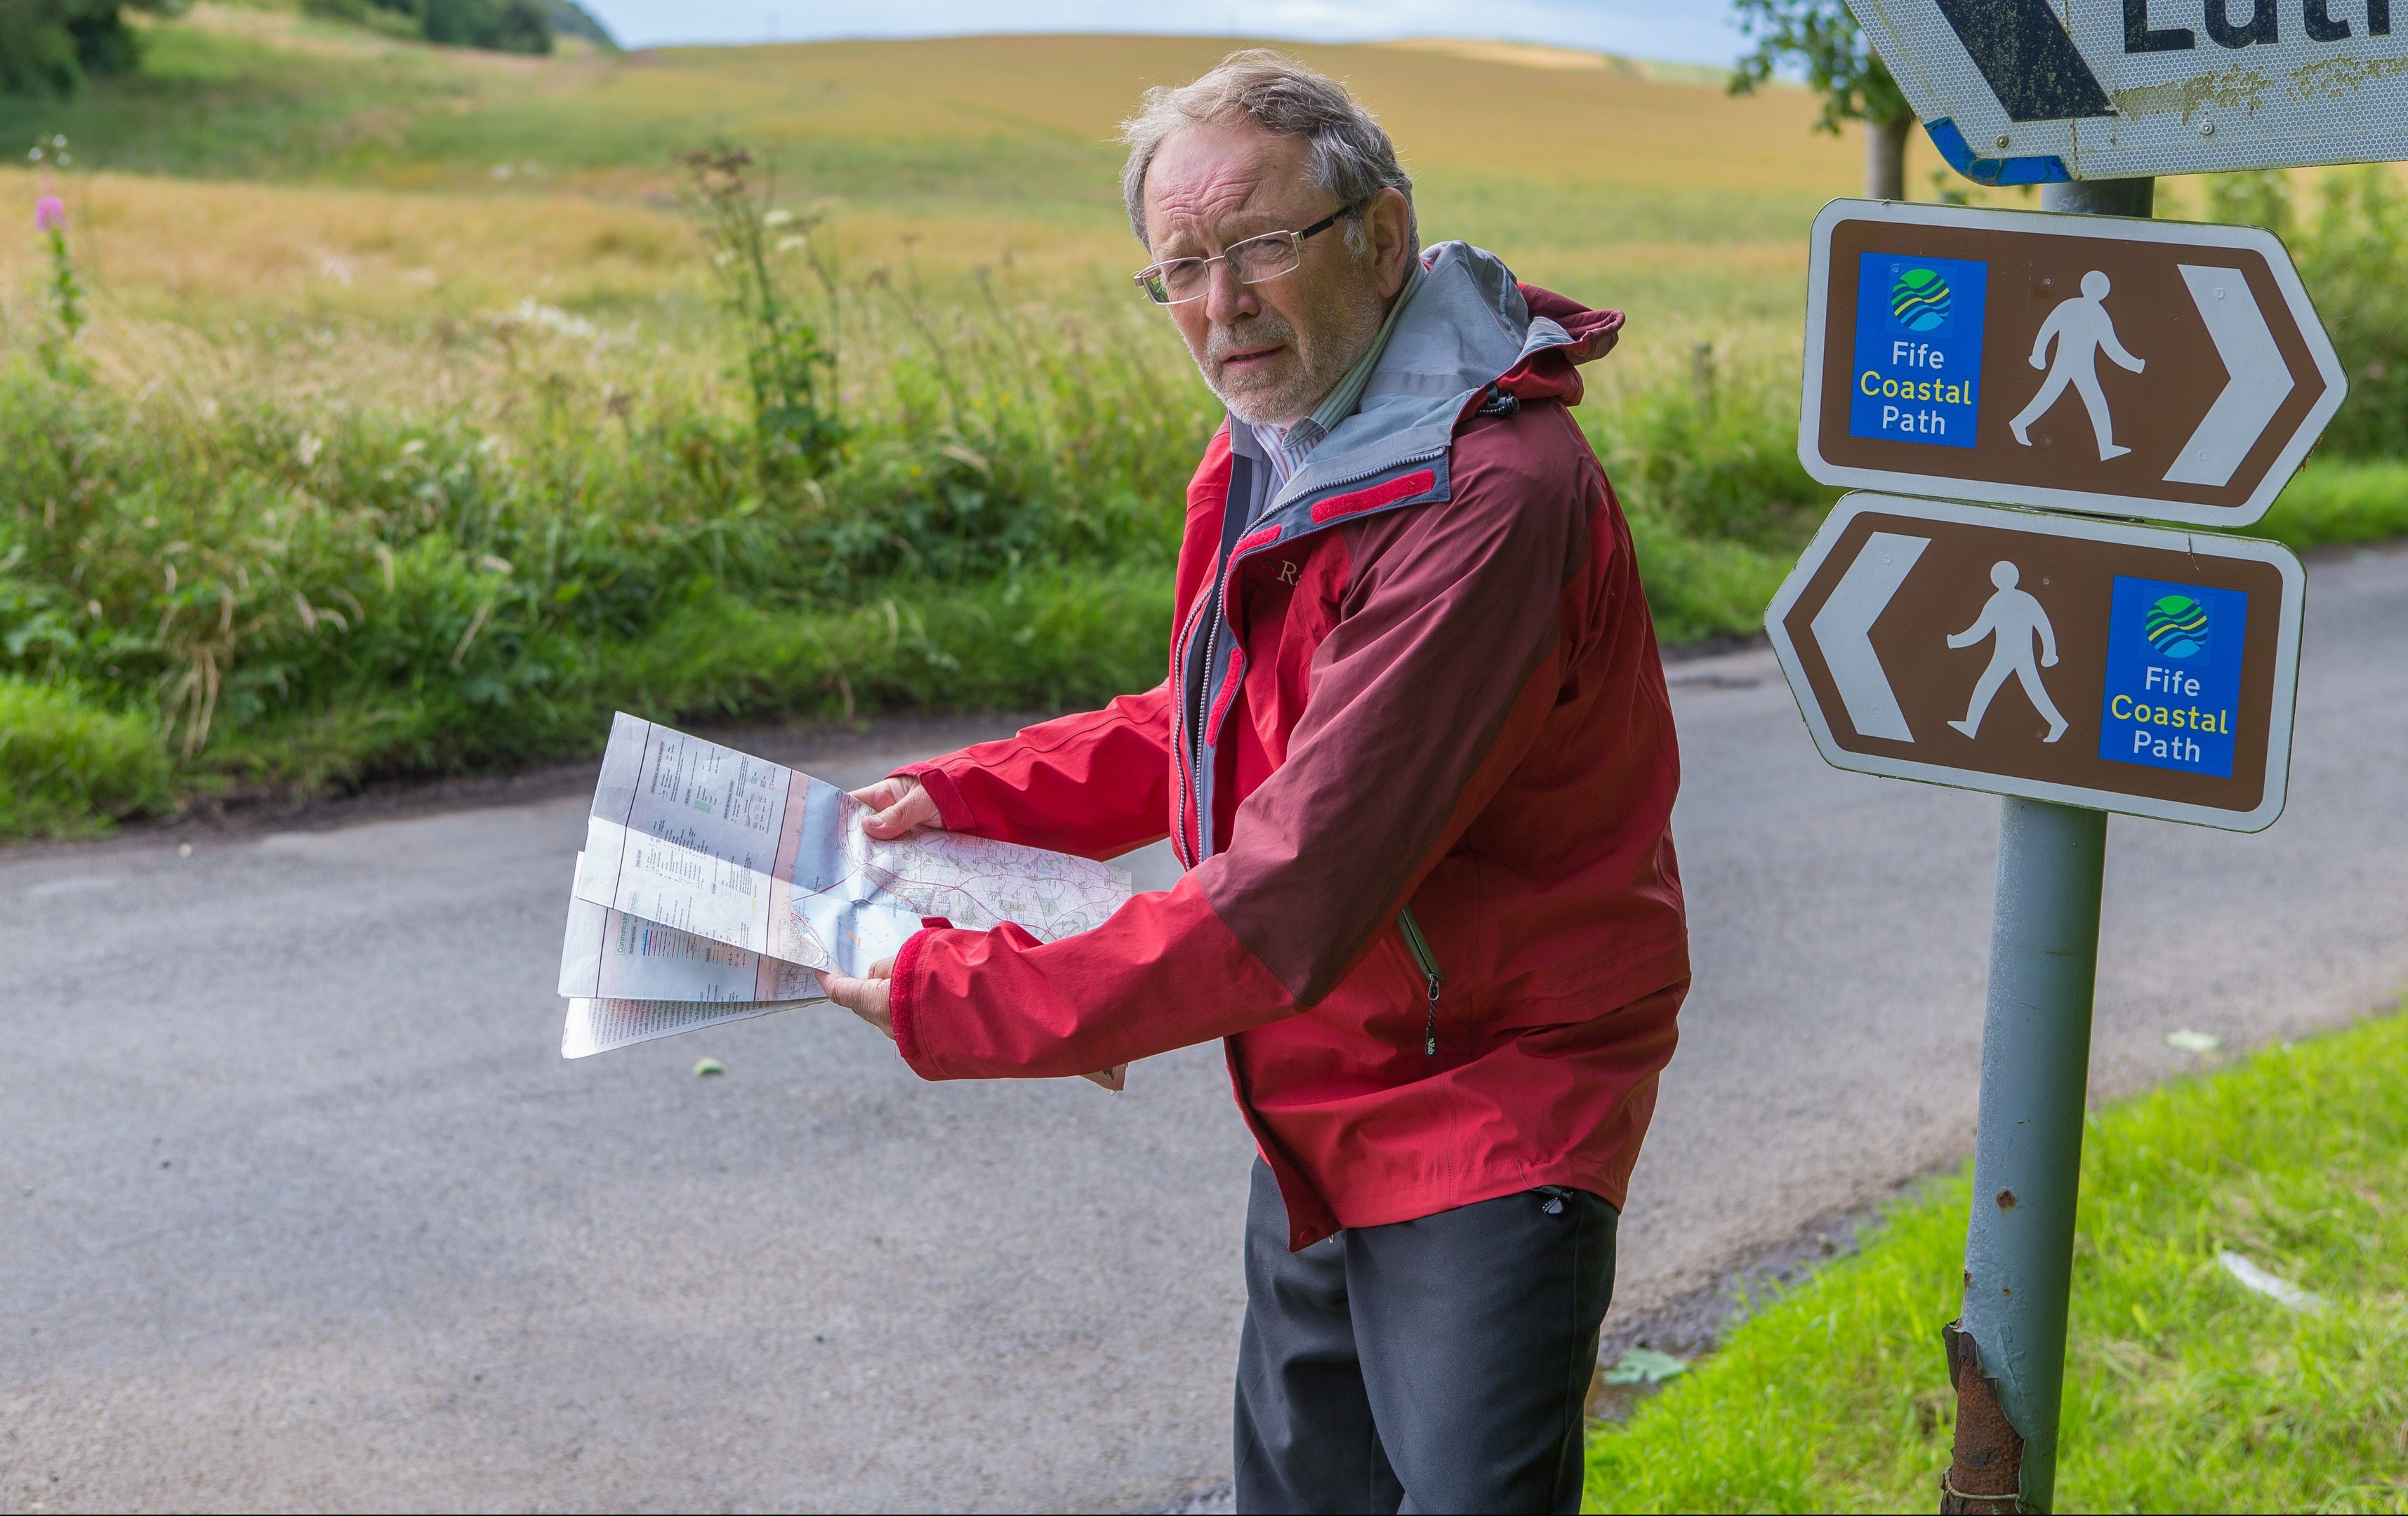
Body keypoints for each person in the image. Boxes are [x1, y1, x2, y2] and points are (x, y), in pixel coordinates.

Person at [822, 52, 1688, 1516]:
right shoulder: (1287, 444)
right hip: (1312, 1084)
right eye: (1177, 267)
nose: (1217, 304)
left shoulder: (1486, 499)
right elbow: (1214, 719)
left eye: (1258, 247)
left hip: (1485, 1094)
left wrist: (970, 995)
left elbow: (1296, 882)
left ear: (1383, 237)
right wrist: (964, 796)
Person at [2009, 269, 2146, 461]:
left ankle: (2106, 448)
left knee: (2087, 400)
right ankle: (2019, 423)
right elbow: (2112, 349)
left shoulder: (2077, 308)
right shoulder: (2092, 313)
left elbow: (2111, 347)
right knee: (2078, 399)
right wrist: (2136, 365)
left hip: (2081, 367)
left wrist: (2038, 354)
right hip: (2069, 364)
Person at [1947, 559, 2068, 743]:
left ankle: (2058, 723)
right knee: (1987, 685)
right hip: (2006, 655)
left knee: (2033, 690)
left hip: (2018, 655)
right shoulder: (2024, 599)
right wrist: (2049, 652)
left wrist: (1955, 641)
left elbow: (1979, 631)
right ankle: (1971, 725)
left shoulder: (1999, 601)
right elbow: (2044, 626)